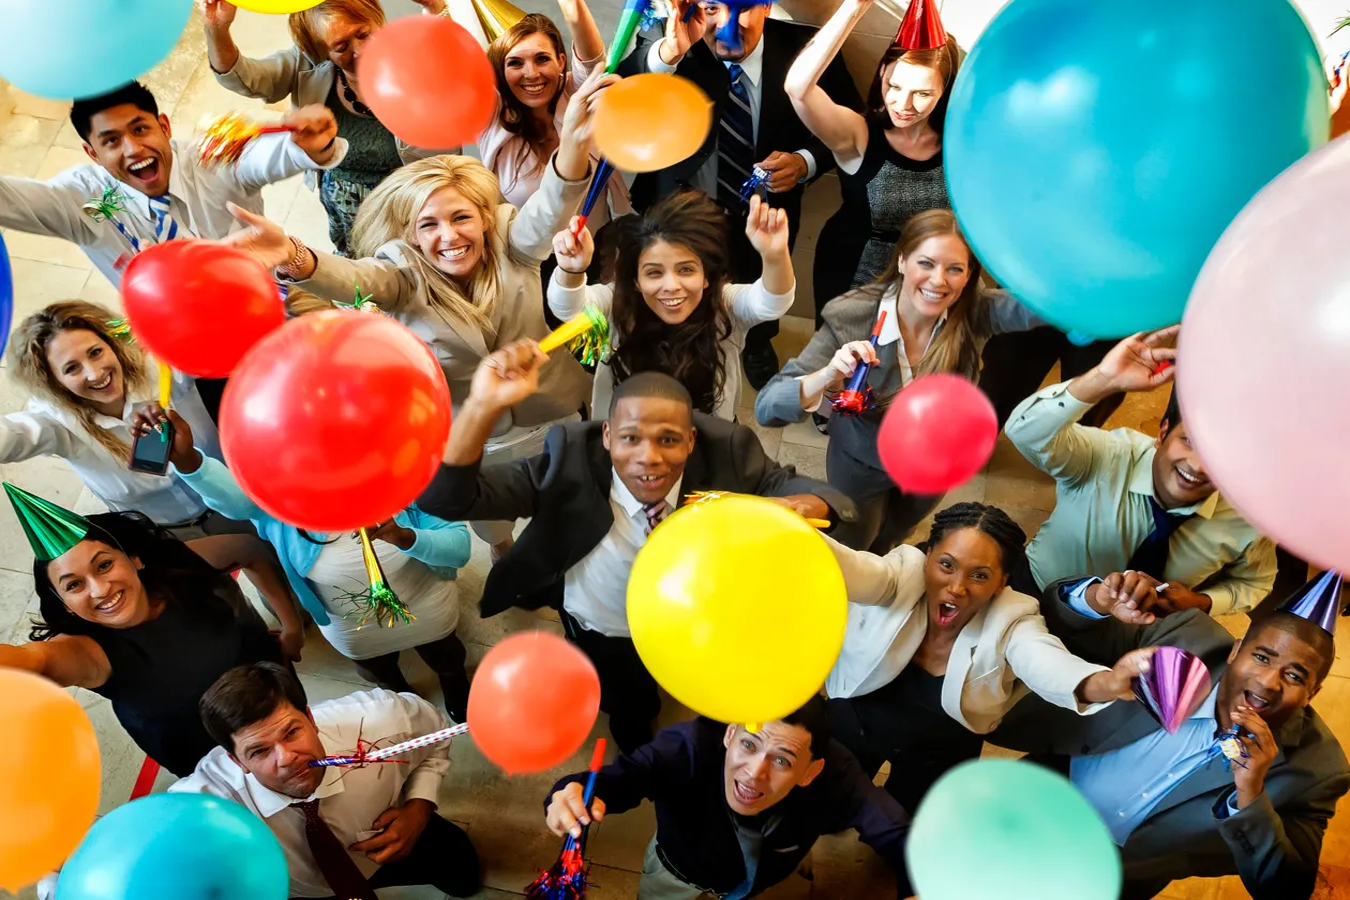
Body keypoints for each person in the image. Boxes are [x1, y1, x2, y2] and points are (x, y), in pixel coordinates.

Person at [219, 72, 609, 557]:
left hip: (550, 412)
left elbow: (552, 206)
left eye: (461, 217)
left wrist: (573, 142)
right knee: (495, 527)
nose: (449, 236)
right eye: (429, 225)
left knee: (569, 504)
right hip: (474, 435)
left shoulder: (514, 240)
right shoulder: (400, 271)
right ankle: (504, 552)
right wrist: (293, 256)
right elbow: (352, 279)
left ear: (484, 217)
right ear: (411, 234)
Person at [418, 345, 856, 752]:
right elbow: (445, 500)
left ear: (691, 440)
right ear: (607, 436)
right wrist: (481, 406)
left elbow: (829, 498)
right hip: (605, 625)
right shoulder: (566, 459)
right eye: (631, 438)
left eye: (668, 439)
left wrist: (798, 506)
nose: (649, 457)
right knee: (628, 703)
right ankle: (634, 735)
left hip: (694, 619)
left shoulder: (731, 453)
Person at [990, 574, 1350, 900]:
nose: (1269, 682)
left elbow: (1287, 889)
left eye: (1295, 676)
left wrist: (1250, 795)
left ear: (1313, 693)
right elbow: (1062, 620)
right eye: (1261, 657)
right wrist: (1098, 598)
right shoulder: (1184, 637)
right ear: (1236, 650)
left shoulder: (1318, 771)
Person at [145, 406, 475, 723]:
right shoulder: (282, 501)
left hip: (426, 605)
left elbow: (458, 549)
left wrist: (406, 537)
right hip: (351, 626)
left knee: (445, 654)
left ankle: (454, 683)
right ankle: (402, 698)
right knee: (379, 669)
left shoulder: (412, 475)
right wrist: (189, 461)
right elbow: (237, 501)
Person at [824, 501, 1152, 810]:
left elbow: (1047, 663)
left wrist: (1108, 682)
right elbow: (849, 566)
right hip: (854, 719)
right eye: (946, 565)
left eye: (979, 575)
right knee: (829, 798)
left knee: (906, 818)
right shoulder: (901, 573)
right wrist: (799, 529)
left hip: (938, 750)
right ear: (927, 558)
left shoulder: (1013, 617)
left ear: (1001, 583)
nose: (957, 587)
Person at [755, 209, 1041, 554]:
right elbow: (767, 408)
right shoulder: (853, 316)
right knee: (853, 543)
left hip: (933, 466)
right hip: (862, 462)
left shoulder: (973, 311)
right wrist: (828, 375)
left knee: (893, 537)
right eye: (926, 263)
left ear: (969, 276)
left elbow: (1045, 307)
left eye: (954, 269)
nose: (938, 281)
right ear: (902, 260)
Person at [618, 0, 863, 389]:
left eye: (742, 7)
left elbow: (854, 124)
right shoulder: (674, 43)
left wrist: (804, 162)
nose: (726, 25)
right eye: (712, 7)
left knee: (759, 289)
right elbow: (618, 94)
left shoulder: (810, 50)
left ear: (766, 5)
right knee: (676, 291)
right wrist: (668, 54)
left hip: (762, 216)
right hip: (679, 212)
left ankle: (756, 345)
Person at [0, 492, 302, 776]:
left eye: (104, 565)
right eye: (74, 585)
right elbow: (35, 662)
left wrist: (292, 626)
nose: (100, 589)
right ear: (64, 604)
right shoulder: (87, 654)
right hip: (208, 751)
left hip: (271, 695)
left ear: (134, 559)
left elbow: (247, 549)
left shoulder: (175, 569)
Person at [1005, 326, 1277, 617]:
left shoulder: (1248, 520)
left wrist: (1202, 602)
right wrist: (1103, 379)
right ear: (1162, 433)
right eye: (1189, 441)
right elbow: (1024, 432)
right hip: (1033, 593)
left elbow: (1255, 582)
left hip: (1131, 632)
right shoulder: (1108, 455)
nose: (1198, 465)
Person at [543, 697, 913, 899]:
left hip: (774, 879)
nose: (754, 772)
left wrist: (925, 886)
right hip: (674, 874)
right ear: (730, 734)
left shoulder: (837, 774)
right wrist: (570, 794)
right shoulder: (686, 747)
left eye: (782, 760)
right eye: (749, 745)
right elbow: (622, 778)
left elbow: (899, 833)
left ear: (810, 772)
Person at [173, 663, 482, 899]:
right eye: (260, 751)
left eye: (292, 732)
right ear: (237, 762)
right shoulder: (205, 807)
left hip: (400, 837)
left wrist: (420, 807)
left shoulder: (385, 720)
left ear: (310, 718)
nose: (286, 758)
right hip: (306, 891)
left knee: (464, 877)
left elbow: (436, 732)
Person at [0, 79, 347, 287]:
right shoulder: (82, 199)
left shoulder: (211, 157)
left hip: (269, 304)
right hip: (187, 357)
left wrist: (309, 145)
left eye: (140, 129)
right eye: (111, 141)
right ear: (93, 153)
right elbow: (10, 200)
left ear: (164, 126)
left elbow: (267, 156)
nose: (133, 149)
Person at [201, 0, 457, 255]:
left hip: (413, 201)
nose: (361, 50)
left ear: (376, 18)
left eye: (363, 34)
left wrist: (435, 9)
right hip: (345, 206)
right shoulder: (305, 63)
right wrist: (217, 29)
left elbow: (452, 63)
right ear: (320, 52)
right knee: (356, 263)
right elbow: (244, 79)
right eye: (341, 47)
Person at [549, 191, 792, 420]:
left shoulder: (724, 304)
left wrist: (775, 256)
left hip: (706, 435)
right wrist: (571, 269)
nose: (671, 286)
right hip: (625, 435)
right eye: (654, 273)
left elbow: (771, 303)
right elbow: (569, 307)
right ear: (636, 281)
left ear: (706, 276)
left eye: (686, 270)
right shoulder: (616, 302)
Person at [784, 0, 958, 318]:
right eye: (894, 86)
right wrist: (853, 7)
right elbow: (798, 87)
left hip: (931, 284)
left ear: (944, 90)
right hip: (852, 279)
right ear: (881, 73)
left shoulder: (960, 145)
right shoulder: (858, 134)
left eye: (922, 93)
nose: (903, 104)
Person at [3, 301, 228, 537]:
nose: (95, 374)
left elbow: (221, 342)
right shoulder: (56, 422)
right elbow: (9, 436)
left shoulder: (159, 367)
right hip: (169, 537)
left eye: (96, 352)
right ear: (54, 381)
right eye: (71, 368)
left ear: (111, 344)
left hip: (237, 495)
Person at [481, 0, 629, 232]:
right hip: (529, 252)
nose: (531, 74)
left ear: (560, 61)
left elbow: (593, 64)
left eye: (542, 59)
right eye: (515, 63)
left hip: (598, 243)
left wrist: (573, 4)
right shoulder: (492, 115)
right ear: (501, 71)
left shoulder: (576, 92)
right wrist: (437, 12)